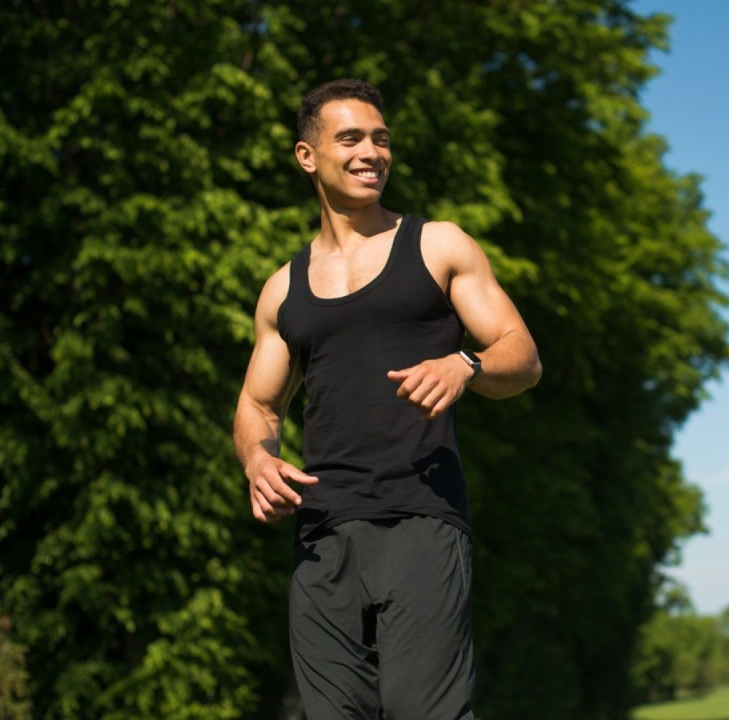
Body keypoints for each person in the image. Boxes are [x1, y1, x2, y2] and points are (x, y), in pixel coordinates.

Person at [232, 78, 541, 720]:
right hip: (322, 533)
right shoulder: (282, 290)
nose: (372, 151)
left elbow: (523, 355)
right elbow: (258, 407)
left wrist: (465, 364)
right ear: (307, 155)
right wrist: (258, 461)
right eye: (350, 138)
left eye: (381, 139)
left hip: (422, 517)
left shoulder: (437, 246)